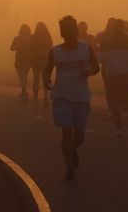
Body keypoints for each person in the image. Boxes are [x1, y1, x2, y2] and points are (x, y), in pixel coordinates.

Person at [43, 16, 100, 182]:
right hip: (61, 98)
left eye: (68, 30)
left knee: (79, 137)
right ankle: (69, 167)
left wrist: (88, 72)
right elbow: (47, 70)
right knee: (66, 134)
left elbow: (96, 67)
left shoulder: (85, 48)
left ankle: (73, 149)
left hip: (81, 98)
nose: (65, 34)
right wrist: (47, 80)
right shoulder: (55, 51)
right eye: (62, 31)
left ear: (74, 31)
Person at [99, 19, 128, 136]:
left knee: (113, 101)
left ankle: (119, 128)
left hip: (113, 74)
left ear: (113, 28)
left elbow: (102, 59)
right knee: (124, 100)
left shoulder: (108, 41)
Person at [31, 22, 53, 105]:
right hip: (45, 61)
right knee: (45, 79)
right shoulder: (48, 38)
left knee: (36, 79)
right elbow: (50, 48)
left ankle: (35, 98)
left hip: (35, 61)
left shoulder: (33, 37)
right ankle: (45, 97)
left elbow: (31, 49)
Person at [11, 24, 32, 102]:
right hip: (28, 60)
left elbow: (11, 48)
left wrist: (17, 47)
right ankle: (24, 90)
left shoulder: (17, 39)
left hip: (19, 60)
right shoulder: (31, 39)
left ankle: (23, 91)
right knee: (24, 76)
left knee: (21, 76)